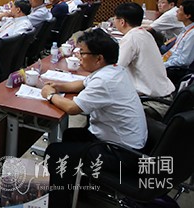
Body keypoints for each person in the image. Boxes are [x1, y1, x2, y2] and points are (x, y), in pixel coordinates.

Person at [41, 29, 147, 207]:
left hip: (121, 154)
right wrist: (58, 86)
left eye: (83, 53)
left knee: (56, 152)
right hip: (125, 143)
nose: (79, 56)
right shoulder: (113, 70)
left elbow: (73, 108)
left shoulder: (104, 81)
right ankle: (72, 186)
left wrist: (50, 95)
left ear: (99, 58)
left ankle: (58, 203)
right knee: (71, 135)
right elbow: (81, 84)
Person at [114, 3, 174, 117]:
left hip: (152, 103)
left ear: (122, 22)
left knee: (102, 107)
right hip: (163, 97)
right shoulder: (145, 34)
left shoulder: (131, 38)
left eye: (115, 18)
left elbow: (116, 69)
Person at [162, 0, 194, 68]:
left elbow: (184, 61)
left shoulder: (192, 34)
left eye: (180, 10)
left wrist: (163, 65)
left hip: (176, 69)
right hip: (169, 61)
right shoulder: (185, 29)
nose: (177, 11)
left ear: (187, 15)